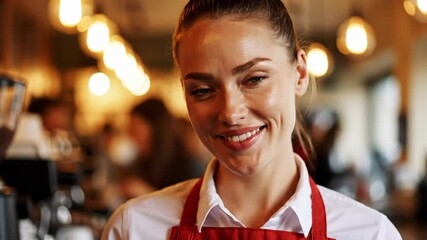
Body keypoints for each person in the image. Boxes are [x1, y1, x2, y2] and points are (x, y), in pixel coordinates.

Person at [101, 0, 402, 239]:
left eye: (254, 79)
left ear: (298, 74)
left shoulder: (371, 234)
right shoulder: (134, 228)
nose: (230, 112)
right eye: (203, 90)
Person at [119, 98, 205, 199]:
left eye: (136, 131)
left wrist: (146, 193)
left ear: (156, 130)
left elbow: (190, 207)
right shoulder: (142, 163)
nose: (131, 137)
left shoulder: (186, 165)